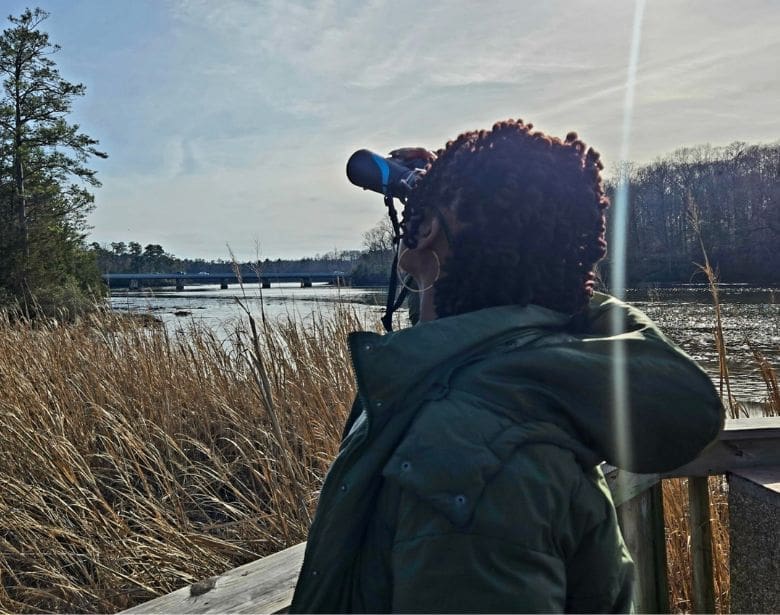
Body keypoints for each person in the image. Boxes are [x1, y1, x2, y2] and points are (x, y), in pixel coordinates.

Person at [290, 119, 723, 613]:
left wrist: (443, 209)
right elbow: (459, 314)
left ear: (428, 231)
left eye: (427, 215)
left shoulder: (468, 461)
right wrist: (447, 210)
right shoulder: (517, 378)